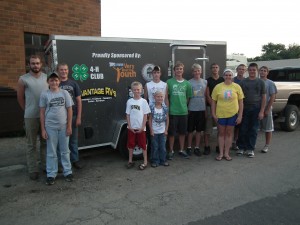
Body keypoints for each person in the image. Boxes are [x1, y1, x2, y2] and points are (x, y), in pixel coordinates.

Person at [17, 55, 48, 180]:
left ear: (41, 64)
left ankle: (46, 166)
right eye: (33, 63)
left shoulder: (47, 78)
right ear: (29, 64)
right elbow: (19, 97)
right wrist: (27, 110)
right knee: (31, 144)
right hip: (30, 117)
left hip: (46, 116)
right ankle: (33, 170)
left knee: (45, 143)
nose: (35, 65)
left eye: (37, 63)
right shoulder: (23, 79)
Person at [39, 72, 74, 185]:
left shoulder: (65, 93)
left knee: (65, 151)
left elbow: (69, 110)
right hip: (50, 127)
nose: (54, 82)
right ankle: (51, 174)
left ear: (59, 81)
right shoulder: (44, 94)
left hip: (64, 127)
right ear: (48, 82)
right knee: (51, 152)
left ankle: (67, 172)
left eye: (56, 80)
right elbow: (42, 112)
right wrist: (43, 129)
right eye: (52, 80)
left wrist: (69, 126)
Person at [211, 69, 244, 161]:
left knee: (229, 133)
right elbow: (213, 101)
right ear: (223, 76)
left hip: (233, 114)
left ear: (232, 76)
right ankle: (221, 153)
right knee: (221, 133)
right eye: (226, 75)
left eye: (230, 75)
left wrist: (240, 115)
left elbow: (241, 102)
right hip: (220, 114)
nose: (228, 77)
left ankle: (226, 153)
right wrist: (213, 114)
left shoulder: (237, 87)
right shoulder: (218, 87)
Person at [237, 63, 266, 158]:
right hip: (244, 109)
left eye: (254, 70)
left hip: (256, 109)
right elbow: (239, 98)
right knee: (243, 129)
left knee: (253, 130)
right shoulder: (243, 82)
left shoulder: (261, 82)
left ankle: (250, 149)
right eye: (250, 70)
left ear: (256, 71)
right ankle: (241, 147)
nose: (252, 71)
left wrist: (261, 111)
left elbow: (263, 97)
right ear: (247, 71)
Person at [57, 63, 83, 169]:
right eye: (61, 70)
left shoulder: (73, 83)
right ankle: (61, 163)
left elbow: (79, 101)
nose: (64, 71)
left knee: (73, 141)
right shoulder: (55, 83)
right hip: (60, 117)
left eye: (65, 69)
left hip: (73, 116)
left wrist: (78, 117)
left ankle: (75, 160)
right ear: (58, 71)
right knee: (60, 142)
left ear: (68, 71)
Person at [166, 61, 193, 159]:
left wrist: (183, 106)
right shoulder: (169, 82)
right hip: (173, 111)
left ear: (183, 70)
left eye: (180, 69)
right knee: (172, 133)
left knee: (182, 132)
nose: (179, 70)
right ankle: (171, 151)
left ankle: (181, 150)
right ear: (174, 71)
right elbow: (166, 97)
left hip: (183, 112)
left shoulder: (187, 83)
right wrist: (168, 109)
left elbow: (188, 98)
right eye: (177, 69)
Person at [126, 81, 151, 170]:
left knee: (143, 145)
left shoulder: (143, 101)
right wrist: (129, 126)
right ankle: (130, 161)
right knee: (131, 145)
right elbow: (128, 115)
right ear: (132, 90)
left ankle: (145, 162)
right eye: (134, 90)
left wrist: (142, 127)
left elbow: (145, 115)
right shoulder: (129, 101)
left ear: (141, 90)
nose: (136, 91)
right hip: (131, 128)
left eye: (138, 89)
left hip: (141, 128)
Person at [186, 63, 207, 156]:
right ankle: (189, 147)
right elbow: (188, 97)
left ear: (201, 71)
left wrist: (205, 109)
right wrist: (187, 108)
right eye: (195, 71)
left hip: (201, 109)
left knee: (199, 130)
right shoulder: (189, 82)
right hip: (192, 109)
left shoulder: (205, 82)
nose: (197, 72)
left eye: (198, 70)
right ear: (192, 72)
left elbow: (206, 96)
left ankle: (197, 147)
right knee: (190, 130)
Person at [204, 63, 224, 155]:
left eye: (216, 67)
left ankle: (218, 146)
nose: (215, 69)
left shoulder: (222, 80)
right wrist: (213, 105)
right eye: (213, 68)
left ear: (219, 69)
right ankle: (207, 146)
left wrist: (217, 105)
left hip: (220, 108)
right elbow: (207, 95)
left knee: (220, 128)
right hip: (209, 107)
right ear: (211, 69)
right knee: (207, 128)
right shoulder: (207, 80)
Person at [148, 90, 169, 167]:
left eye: (161, 97)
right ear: (154, 97)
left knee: (163, 147)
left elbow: (167, 119)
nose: (160, 98)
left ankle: (163, 160)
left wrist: (166, 130)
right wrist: (151, 130)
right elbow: (150, 119)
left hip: (162, 132)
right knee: (155, 147)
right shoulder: (152, 107)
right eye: (158, 97)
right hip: (154, 132)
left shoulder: (165, 108)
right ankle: (155, 161)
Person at [259, 66, 277, 153]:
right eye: (261, 70)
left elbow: (273, 96)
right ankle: (252, 144)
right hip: (256, 109)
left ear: (267, 72)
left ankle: (266, 145)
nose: (262, 72)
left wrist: (267, 109)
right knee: (255, 128)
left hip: (266, 108)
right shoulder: (256, 81)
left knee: (268, 128)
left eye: (264, 71)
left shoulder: (270, 83)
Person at [232, 64, 247, 150]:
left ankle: (242, 142)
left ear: (245, 71)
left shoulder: (246, 80)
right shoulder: (233, 80)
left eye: (243, 69)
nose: (241, 70)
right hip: (234, 105)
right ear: (237, 70)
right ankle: (234, 142)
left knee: (243, 125)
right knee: (235, 125)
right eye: (240, 69)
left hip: (244, 104)